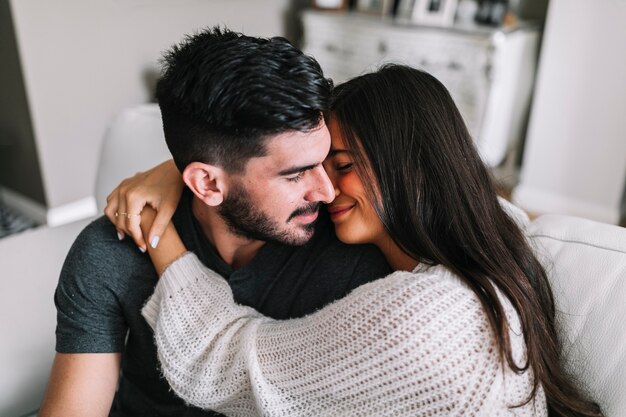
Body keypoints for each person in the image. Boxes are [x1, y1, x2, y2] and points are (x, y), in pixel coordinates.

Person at [108, 65, 603, 417]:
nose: (321, 191)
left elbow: (223, 361)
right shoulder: (495, 240)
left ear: (412, 169)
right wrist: (186, 172)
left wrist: (160, 233)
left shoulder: (430, 318)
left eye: (340, 166)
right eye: (309, 169)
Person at [39, 27, 391, 417]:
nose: (326, 192)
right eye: (296, 174)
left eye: (325, 161)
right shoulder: (109, 252)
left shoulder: (354, 252)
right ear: (206, 183)